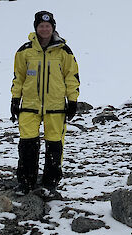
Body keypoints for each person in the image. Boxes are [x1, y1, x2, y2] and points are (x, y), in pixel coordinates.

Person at [11, 11, 80, 199]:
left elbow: (71, 77)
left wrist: (72, 100)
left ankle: (50, 183)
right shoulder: (24, 51)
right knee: (27, 144)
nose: (44, 29)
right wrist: (15, 99)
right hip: (30, 106)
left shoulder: (64, 51)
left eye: (48, 26)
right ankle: (25, 182)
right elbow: (19, 77)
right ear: (36, 28)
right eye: (41, 26)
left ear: (53, 28)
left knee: (54, 145)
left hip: (55, 106)